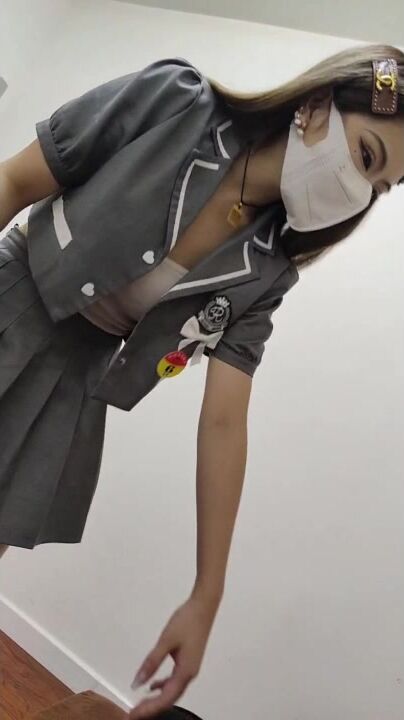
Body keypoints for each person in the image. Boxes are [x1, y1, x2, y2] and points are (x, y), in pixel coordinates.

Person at [0, 44, 403, 720]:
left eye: (381, 187)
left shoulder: (268, 271)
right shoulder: (178, 103)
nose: (358, 192)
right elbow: (15, 181)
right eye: (366, 156)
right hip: (12, 298)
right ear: (316, 105)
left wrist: (205, 594)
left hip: (70, 387)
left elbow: (223, 420)